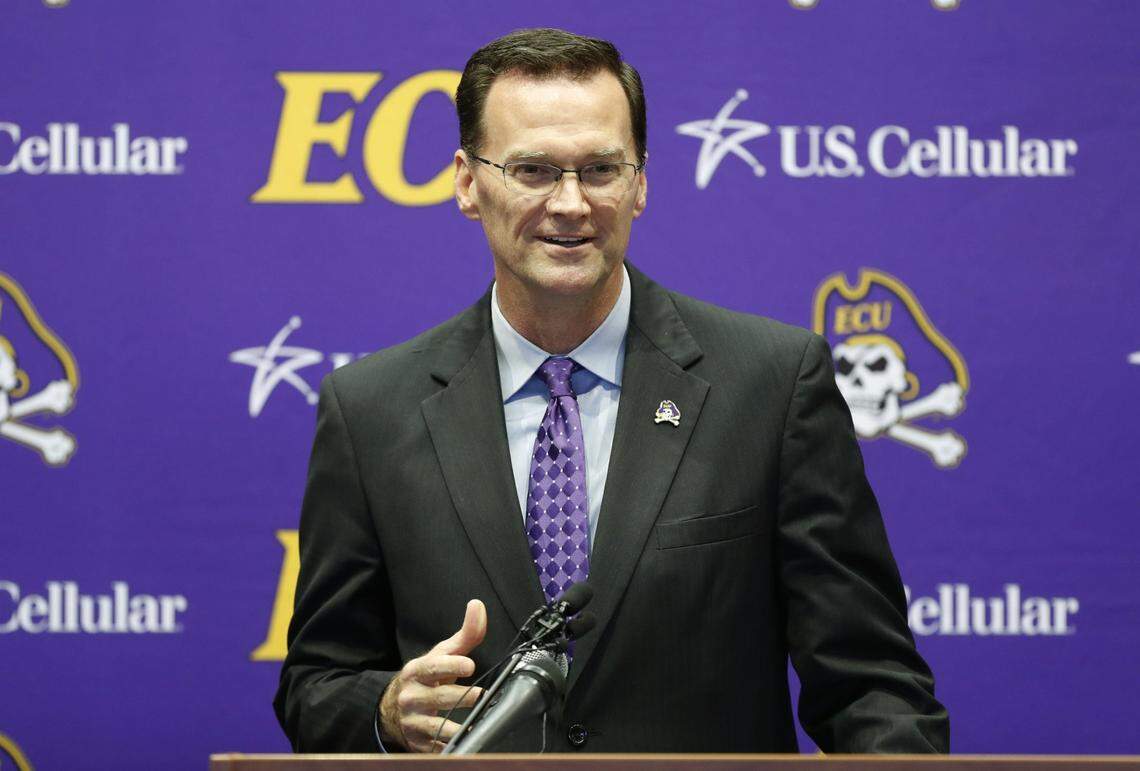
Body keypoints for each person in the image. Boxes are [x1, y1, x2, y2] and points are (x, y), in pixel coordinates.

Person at [274, 27, 949, 755]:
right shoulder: (370, 410)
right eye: (533, 170)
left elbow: (872, 683)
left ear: (640, 183)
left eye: (600, 168)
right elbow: (315, 684)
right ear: (468, 182)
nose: (570, 203)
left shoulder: (772, 384)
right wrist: (384, 708)